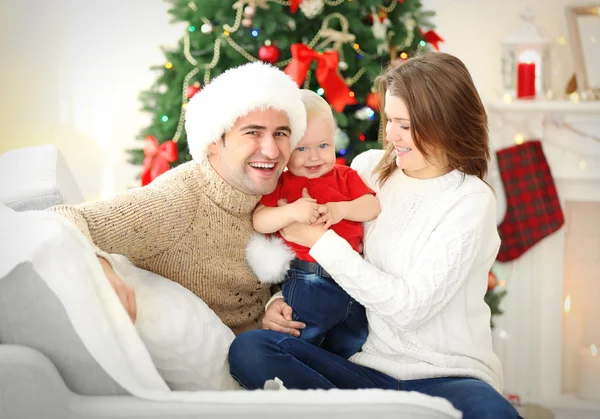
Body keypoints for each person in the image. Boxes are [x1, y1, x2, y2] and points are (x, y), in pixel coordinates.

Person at [229, 53, 521, 419]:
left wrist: (318, 240)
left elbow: (409, 309)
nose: (391, 136)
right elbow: (300, 245)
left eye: (404, 124)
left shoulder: (471, 200)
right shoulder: (368, 170)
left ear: (443, 123)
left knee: (496, 415)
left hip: (449, 377)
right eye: (389, 120)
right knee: (251, 349)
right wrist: (278, 301)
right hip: (364, 370)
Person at [48, 62, 308, 335]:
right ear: (213, 141)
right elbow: (62, 216)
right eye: (252, 132)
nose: (271, 151)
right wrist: (99, 269)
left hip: (280, 350)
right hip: (228, 364)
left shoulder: (280, 192)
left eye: (281, 133)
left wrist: (274, 304)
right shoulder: (179, 200)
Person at [253, 90, 380, 358]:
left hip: (353, 279)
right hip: (310, 278)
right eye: (302, 148)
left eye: (323, 146)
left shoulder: (345, 176)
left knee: (353, 346)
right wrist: (291, 212)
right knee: (300, 340)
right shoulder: (283, 183)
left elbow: (372, 206)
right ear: (286, 150)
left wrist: (342, 208)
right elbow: (260, 220)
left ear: (334, 140)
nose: (314, 157)